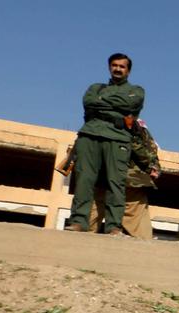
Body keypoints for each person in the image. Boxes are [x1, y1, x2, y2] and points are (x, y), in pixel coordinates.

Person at [64, 52, 144, 235]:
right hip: (89, 134)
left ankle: (113, 226)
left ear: (128, 71)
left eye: (122, 66)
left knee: (115, 182)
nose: (117, 69)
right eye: (114, 65)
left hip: (118, 138)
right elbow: (88, 102)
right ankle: (78, 221)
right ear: (109, 67)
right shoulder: (95, 88)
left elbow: (130, 104)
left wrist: (103, 103)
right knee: (85, 179)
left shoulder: (136, 91)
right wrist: (113, 105)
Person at [88, 118, 161, 238]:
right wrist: (152, 167)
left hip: (103, 175)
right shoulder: (136, 123)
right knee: (136, 219)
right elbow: (145, 148)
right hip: (130, 178)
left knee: (92, 213)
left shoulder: (99, 119)